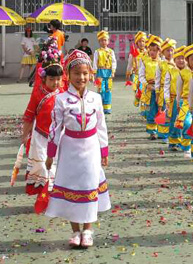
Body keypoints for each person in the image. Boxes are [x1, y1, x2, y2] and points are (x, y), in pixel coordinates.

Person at [45, 50, 110, 249]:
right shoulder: (61, 99)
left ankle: (88, 230)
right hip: (70, 149)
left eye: (85, 73)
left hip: (91, 148)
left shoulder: (96, 99)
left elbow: (101, 126)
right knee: (72, 186)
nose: (81, 78)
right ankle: (75, 230)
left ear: (90, 73)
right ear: (68, 75)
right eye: (76, 74)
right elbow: (55, 127)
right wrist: (50, 154)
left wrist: (104, 151)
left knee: (89, 184)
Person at [22, 51, 63, 195]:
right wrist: (25, 135)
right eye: (52, 79)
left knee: (56, 167)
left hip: (58, 138)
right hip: (40, 136)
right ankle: (44, 194)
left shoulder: (64, 95)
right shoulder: (38, 94)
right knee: (41, 165)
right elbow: (29, 116)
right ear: (44, 79)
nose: (55, 83)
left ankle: (53, 195)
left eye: (58, 79)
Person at [139, 35, 163, 140]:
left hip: (161, 90)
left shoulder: (163, 63)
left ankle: (162, 131)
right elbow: (141, 76)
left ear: (159, 51)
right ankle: (152, 132)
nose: (152, 52)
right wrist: (146, 84)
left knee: (161, 109)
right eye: (151, 50)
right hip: (150, 89)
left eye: (155, 50)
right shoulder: (145, 61)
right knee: (151, 110)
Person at [155, 38, 176, 140]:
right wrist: (157, 92)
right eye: (167, 50)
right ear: (163, 52)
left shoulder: (177, 63)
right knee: (163, 110)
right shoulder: (160, 64)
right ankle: (162, 133)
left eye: (172, 50)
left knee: (172, 112)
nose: (170, 53)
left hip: (174, 92)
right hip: (163, 90)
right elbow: (157, 79)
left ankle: (171, 133)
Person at [166, 45, 186, 152]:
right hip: (174, 100)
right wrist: (166, 99)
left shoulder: (189, 72)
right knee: (175, 121)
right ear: (175, 60)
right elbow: (166, 86)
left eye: (183, 58)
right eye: (178, 58)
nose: (181, 60)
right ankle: (174, 142)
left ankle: (185, 142)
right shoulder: (171, 71)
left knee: (185, 122)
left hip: (186, 101)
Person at [92, 31, 117, 115]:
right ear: (99, 42)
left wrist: (113, 71)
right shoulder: (97, 51)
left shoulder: (111, 51)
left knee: (108, 89)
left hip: (108, 72)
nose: (104, 42)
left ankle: (107, 107)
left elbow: (114, 62)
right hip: (100, 72)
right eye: (102, 40)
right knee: (100, 89)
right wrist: (94, 72)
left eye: (105, 40)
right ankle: (100, 106)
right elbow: (95, 62)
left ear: (108, 41)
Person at [126, 32, 147, 107]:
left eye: (143, 41)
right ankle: (137, 97)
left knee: (143, 90)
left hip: (145, 76)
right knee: (136, 89)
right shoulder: (134, 53)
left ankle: (143, 106)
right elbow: (130, 64)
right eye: (140, 41)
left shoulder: (148, 53)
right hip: (136, 75)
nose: (141, 43)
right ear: (137, 43)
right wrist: (128, 73)